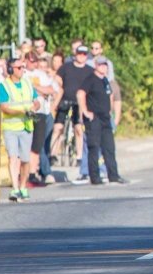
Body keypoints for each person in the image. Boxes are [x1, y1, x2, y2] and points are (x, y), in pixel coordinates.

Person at [76, 56, 128, 185]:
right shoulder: (90, 79)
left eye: (105, 65)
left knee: (109, 148)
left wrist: (110, 111)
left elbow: (109, 96)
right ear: (96, 66)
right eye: (100, 65)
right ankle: (95, 177)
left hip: (105, 118)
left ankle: (113, 175)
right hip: (94, 118)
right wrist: (85, 111)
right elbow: (80, 94)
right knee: (94, 147)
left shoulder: (105, 80)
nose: (103, 67)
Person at [0, 57, 39, 202]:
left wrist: (34, 108)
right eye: (18, 68)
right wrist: (22, 111)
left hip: (26, 126)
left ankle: (23, 186)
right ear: (10, 70)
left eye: (22, 67)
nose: (22, 70)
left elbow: (36, 101)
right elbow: (4, 107)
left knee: (25, 160)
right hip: (11, 127)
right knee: (13, 158)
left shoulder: (28, 83)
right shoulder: (4, 86)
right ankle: (15, 188)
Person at [55, 44, 94, 165]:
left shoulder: (90, 71)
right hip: (65, 101)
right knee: (58, 128)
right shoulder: (66, 68)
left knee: (78, 129)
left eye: (84, 54)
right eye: (79, 54)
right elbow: (57, 79)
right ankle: (53, 154)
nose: (81, 56)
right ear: (75, 54)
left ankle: (79, 156)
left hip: (80, 104)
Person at [29, 54, 61, 184]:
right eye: (39, 65)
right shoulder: (27, 74)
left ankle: (42, 170)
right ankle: (46, 172)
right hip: (35, 112)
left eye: (43, 66)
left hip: (47, 112)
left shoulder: (46, 77)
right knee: (39, 144)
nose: (41, 68)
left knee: (44, 144)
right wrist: (41, 90)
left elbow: (54, 90)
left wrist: (54, 104)